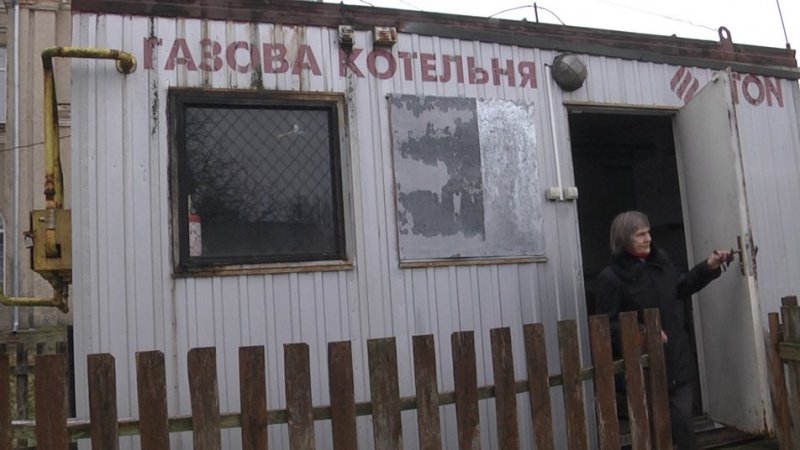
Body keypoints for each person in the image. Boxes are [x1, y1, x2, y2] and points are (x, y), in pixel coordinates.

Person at [592, 210, 730, 450]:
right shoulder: (611, 278)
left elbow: (680, 286)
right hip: (641, 367)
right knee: (652, 428)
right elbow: (606, 327)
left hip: (676, 358)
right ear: (624, 240)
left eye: (648, 233)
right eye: (640, 235)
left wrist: (707, 267)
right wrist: (643, 334)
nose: (648, 239)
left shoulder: (660, 261)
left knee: (683, 422)